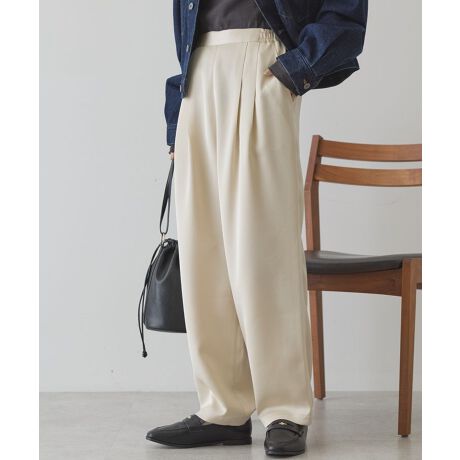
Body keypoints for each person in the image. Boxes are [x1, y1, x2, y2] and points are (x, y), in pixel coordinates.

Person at [146, 1, 367, 456]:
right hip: (198, 76)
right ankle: (223, 408)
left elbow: (345, 14)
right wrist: (176, 116)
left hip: (262, 64)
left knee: (263, 248)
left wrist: (292, 71)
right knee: (204, 253)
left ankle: (285, 409)